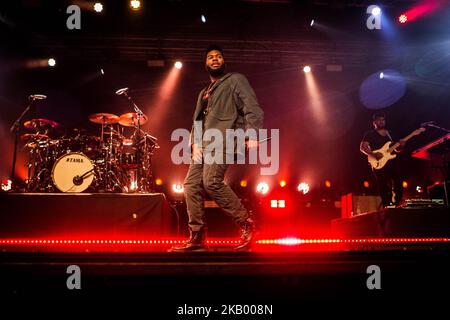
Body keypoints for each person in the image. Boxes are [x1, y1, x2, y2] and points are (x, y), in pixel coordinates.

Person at [171, 44, 263, 252]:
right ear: (205, 63)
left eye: (218, 56)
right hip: (204, 145)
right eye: (211, 57)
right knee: (191, 185)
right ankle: (197, 236)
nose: (215, 59)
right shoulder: (203, 92)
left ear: (223, 61)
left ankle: (247, 223)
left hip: (226, 138)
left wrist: (253, 133)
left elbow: (252, 106)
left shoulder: (235, 80)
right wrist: (194, 143)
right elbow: (196, 120)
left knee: (211, 181)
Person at [360, 112, 405, 208]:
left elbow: (397, 149)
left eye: (383, 120)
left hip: (392, 161)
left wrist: (401, 146)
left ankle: (398, 203)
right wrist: (373, 154)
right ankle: (387, 204)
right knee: (383, 184)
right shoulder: (369, 134)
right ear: (374, 122)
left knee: (398, 181)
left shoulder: (390, 133)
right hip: (378, 162)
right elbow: (363, 147)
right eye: (379, 120)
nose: (381, 121)